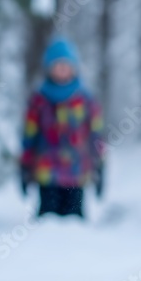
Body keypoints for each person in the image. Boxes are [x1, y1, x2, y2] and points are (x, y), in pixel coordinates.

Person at [20, 37, 104, 218]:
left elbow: (96, 134)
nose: (62, 70)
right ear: (49, 68)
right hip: (46, 172)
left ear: (74, 68)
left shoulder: (85, 99)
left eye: (66, 65)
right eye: (57, 65)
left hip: (77, 172)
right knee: (47, 221)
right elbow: (29, 134)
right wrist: (25, 166)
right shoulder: (39, 100)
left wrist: (99, 166)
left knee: (75, 223)